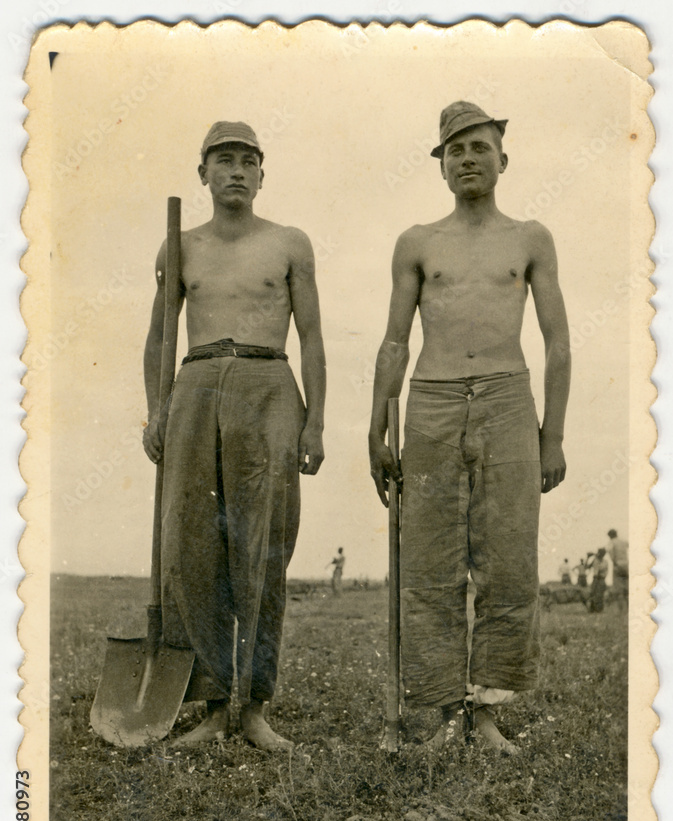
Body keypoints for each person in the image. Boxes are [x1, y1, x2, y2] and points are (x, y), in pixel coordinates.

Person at [369, 101, 571, 754]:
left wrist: (553, 435)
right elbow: (394, 341)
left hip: (510, 401)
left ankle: (486, 715)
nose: (466, 159)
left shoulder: (530, 237)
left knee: (507, 559)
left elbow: (558, 342)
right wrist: (377, 424)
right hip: (428, 402)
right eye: (453, 150)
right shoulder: (417, 242)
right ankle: (435, 715)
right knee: (429, 562)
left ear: (502, 159)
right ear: (440, 166)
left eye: (478, 147)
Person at [142, 121, 326, 749]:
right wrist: (156, 409)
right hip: (195, 386)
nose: (237, 171)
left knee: (263, 544)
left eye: (248, 160)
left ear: (261, 173)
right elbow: (159, 338)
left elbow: (312, 338)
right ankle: (215, 702)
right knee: (192, 545)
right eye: (224, 160)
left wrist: (316, 421)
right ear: (203, 174)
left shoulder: (289, 243)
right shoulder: (179, 247)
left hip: (268, 382)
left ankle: (255, 707)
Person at [607, 528, 629, 610]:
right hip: (626, 565)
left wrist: (614, 561)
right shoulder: (623, 541)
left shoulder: (612, 542)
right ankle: (628, 607)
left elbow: (609, 552)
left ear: (610, 536)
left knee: (618, 588)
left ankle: (621, 609)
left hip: (617, 565)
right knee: (627, 586)